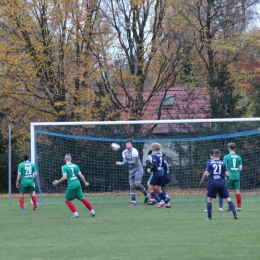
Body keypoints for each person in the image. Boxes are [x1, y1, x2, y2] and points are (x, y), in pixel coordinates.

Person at [52, 154, 95, 218]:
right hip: (77, 184)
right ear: (71, 159)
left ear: (65, 160)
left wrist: (58, 182)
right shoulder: (75, 166)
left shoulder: (64, 167)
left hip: (71, 185)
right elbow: (81, 176)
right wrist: (85, 183)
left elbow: (64, 177)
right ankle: (92, 211)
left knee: (67, 200)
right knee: (82, 198)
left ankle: (75, 213)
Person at [199, 149, 238, 220]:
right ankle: (235, 214)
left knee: (209, 199)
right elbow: (227, 174)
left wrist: (202, 181)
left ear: (213, 155)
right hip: (221, 183)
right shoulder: (223, 163)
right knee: (228, 198)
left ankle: (209, 216)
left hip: (213, 183)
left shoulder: (210, 162)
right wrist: (228, 179)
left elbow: (205, 174)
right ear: (219, 155)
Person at [116, 140, 149, 206]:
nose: (127, 144)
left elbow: (134, 161)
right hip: (131, 170)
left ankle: (146, 194)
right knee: (131, 185)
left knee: (137, 184)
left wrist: (128, 162)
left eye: (128, 143)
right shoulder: (124, 152)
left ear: (131, 144)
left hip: (138, 169)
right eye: (126, 143)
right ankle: (133, 201)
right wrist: (124, 162)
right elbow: (124, 160)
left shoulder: (134, 151)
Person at [147, 143, 171, 208]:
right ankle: (167, 203)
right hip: (161, 173)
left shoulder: (154, 156)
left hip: (156, 174)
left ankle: (159, 202)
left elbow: (154, 165)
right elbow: (163, 164)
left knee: (150, 189)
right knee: (159, 190)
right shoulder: (161, 155)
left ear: (154, 148)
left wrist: (150, 169)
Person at [223, 143, 243, 211]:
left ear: (229, 148)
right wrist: (236, 172)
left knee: (225, 190)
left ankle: (230, 205)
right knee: (237, 191)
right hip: (236, 176)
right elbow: (240, 168)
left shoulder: (226, 157)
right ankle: (239, 207)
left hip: (229, 176)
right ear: (235, 148)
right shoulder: (239, 157)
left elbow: (224, 167)